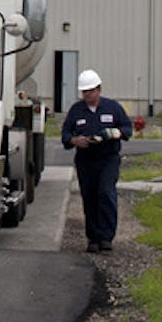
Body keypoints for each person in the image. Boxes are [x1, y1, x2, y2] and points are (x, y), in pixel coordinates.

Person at [61, 69, 132, 252]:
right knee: (90, 196)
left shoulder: (112, 108)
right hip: (86, 160)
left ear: (98, 89)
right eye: (84, 92)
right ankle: (93, 238)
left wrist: (114, 133)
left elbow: (127, 128)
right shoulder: (77, 111)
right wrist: (75, 140)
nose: (87, 95)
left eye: (90, 91)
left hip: (108, 158)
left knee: (105, 193)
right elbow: (66, 134)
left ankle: (106, 237)